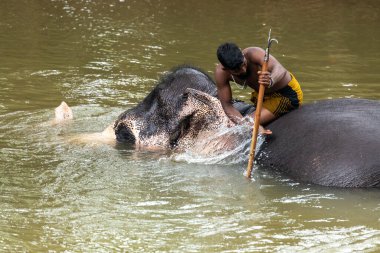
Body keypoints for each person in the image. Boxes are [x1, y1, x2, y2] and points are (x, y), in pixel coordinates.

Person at [215, 42, 303, 129]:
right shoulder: (221, 73)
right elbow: (227, 105)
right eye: (236, 71)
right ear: (225, 68)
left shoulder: (253, 53)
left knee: (247, 123)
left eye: (243, 64)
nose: (243, 70)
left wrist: (271, 80)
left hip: (286, 95)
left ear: (241, 53)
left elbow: (279, 68)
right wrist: (244, 124)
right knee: (242, 126)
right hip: (263, 97)